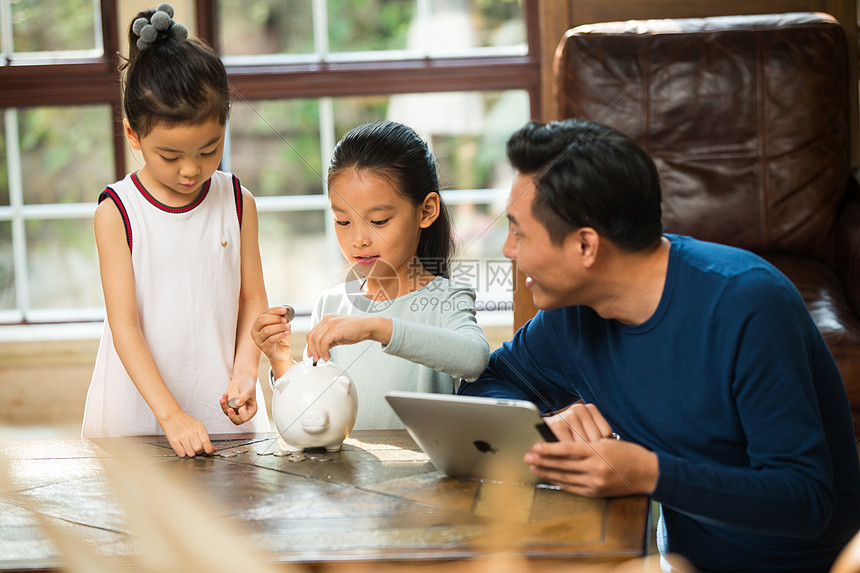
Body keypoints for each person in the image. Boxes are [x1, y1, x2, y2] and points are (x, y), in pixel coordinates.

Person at [458, 118, 860, 572]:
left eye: (520, 232)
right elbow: (487, 382)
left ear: (586, 246)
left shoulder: (748, 305)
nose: (509, 249)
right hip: (679, 562)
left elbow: (805, 502)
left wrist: (647, 472)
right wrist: (543, 420)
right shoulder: (570, 316)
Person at [82, 3, 270, 457]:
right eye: (170, 156)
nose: (191, 170)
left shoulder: (237, 201)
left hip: (222, 410)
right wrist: (171, 415)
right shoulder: (118, 212)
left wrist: (245, 371)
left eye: (209, 150)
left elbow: (254, 302)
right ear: (133, 134)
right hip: (138, 419)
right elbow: (124, 326)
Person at [252, 121, 490, 429]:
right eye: (343, 221)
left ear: (426, 211)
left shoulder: (446, 299)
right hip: (346, 475)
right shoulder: (331, 306)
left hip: (424, 476)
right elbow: (313, 407)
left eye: (378, 221)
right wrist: (280, 359)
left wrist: (375, 327)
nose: (358, 240)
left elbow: (474, 358)